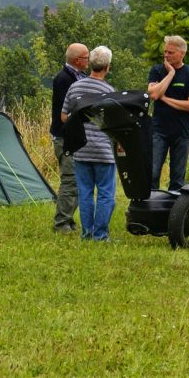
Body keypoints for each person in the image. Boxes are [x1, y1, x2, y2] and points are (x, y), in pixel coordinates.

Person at [60, 46, 117, 240]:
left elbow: (63, 117)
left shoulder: (75, 87)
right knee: (105, 193)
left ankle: (86, 233)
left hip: (81, 149)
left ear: (91, 63)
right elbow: (113, 124)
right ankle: (100, 235)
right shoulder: (109, 91)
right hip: (103, 150)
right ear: (107, 66)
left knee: (85, 193)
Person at [147, 35, 189, 191]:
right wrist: (170, 74)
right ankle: (151, 208)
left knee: (177, 178)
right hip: (159, 130)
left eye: (170, 52)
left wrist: (165, 98)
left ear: (182, 54)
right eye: (165, 52)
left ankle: (174, 213)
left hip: (182, 132)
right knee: (153, 173)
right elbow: (154, 94)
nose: (166, 55)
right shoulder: (157, 70)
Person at [49, 43, 88, 232]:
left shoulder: (80, 77)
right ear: (76, 60)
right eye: (85, 57)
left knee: (79, 180)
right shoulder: (63, 79)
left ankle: (70, 218)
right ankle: (61, 222)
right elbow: (66, 110)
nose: (88, 60)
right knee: (70, 179)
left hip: (76, 137)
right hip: (64, 138)